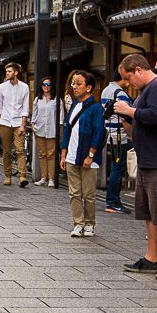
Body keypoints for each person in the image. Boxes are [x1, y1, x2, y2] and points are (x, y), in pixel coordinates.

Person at [115, 53, 157, 280]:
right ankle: (151, 258)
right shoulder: (146, 91)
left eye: (128, 78)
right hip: (148, 161)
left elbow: (155, 116)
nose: (127, 84)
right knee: (150, 212)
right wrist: (126, 118)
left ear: (138, 70)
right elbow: (141, 122)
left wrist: (129, 110)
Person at [60, 70, 106, 238]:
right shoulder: (73, 105)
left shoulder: (96, 108)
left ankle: (90, 223)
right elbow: (67, 130)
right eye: (73, 83)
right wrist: (63, 153)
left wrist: (91, 154)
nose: (74, 87)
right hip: (72, 155)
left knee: (88, 194)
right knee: (74, 193)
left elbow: (98, 132)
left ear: (89, 87)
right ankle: (78, 223)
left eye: (78, 84)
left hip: (88, 157)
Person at [101, 70, 134, 213]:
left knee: (116, 166)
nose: (129, 83)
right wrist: (131, 135)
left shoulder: (106, 90)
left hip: (110, 133)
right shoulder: (120, 94)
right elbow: (125, 117)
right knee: (118, 168)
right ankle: (113, 201)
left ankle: (112, 200)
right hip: (121, 135)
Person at [0, 62, 30, 187]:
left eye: (10, 71)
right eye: (6, 71)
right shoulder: (2, 87)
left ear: (16, 72)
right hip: (5, 121)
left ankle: (22, 176)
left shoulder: (24, 87)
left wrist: (23, 124)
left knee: (20, 149)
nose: (7, 73)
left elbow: (25, 107)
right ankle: (8, 175)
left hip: (18, 122)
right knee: (6, 150)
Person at [31, 76, 62, 188]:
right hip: (40, 129)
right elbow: (34, 114)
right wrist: (33, 124)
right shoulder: (37, 99)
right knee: (42, 154)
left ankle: (52, 178)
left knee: (51, 154)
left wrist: (59, 128)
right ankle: (43, 177)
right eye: (44, 84)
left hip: (52, 129)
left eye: (48, 84)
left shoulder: (57, 100)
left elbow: (60, 116)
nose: (46, 87)